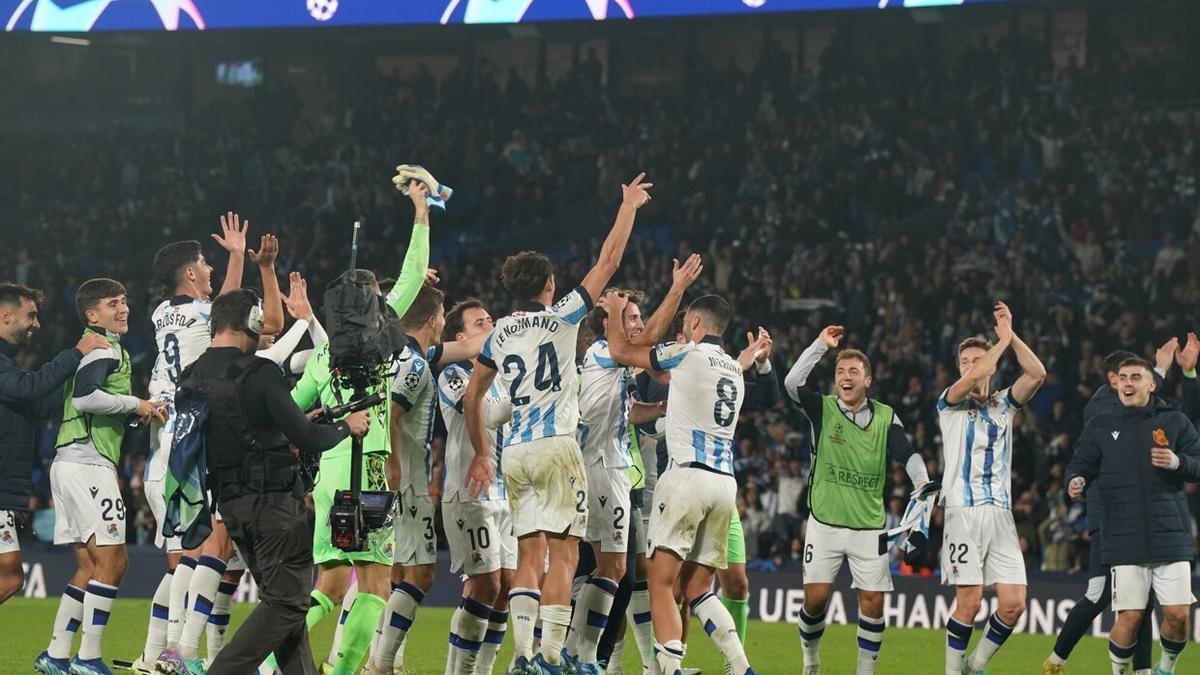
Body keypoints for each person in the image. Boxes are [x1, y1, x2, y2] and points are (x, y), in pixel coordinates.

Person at [462, 172, 653, 674]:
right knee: (565, 555)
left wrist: (483, 451)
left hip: (516, 455)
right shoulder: (565, 314)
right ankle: (549, 655)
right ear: (549, 285)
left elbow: (473, 397)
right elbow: (608, 261)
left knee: (529, 555)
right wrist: (628, 206)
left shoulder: (498, 334)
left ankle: (522, 656)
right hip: (558, 447)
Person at [294, 179, 439, 675]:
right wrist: (420, 209)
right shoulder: (382, 339)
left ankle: (269, 664)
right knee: (376, 586)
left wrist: (321, 418)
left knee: (328, 587)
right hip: (371, 476)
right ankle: (340, 673)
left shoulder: (322, 355)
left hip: (330, 475)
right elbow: (414, 272)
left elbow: (292, 413)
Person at [188, 289, 370, 675]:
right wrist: (345, 426)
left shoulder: (192, 376)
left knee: (284, 606)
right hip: (273, 505)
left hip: (230, 505)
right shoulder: (260, 371)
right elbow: (308, 438)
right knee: (288, 603)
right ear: (250, 321)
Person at [137, 213, 283, 674]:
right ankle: (181, 653)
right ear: (189, 273)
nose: (211, 268)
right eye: (206, 262)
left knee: (183, 557)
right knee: (211, 551)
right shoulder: (205, 313)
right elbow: (229, 314)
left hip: (170, 441)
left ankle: (158, 654)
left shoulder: (162, 314)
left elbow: (223, 310)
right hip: (201, 436)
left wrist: (237, 259)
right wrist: (240, 257)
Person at [601, 292, 766, 675]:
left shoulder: (685, 354)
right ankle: (741, 666)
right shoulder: (732, 368)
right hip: (724, 485)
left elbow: (623, 352)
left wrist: (611, 313)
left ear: (694, 324)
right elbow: (686, 378)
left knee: (661, 585)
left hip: (686, 478)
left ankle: (669, 668)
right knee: (698, 590)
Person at [565, 258, 700, 674]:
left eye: (639, 317)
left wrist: (661, 409)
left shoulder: (608, 358)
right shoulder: (607, 351)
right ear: (606, 323)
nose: (639, 326)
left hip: (606, 467)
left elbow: (628, 413)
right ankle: (581, 653)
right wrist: (676, 289)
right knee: (612, 567)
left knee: (604, 568)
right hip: (602, 468)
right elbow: (655, 339)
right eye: (630, 318)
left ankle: (578, 652)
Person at [1044, 336, 1200, 675]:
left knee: (1174, 614)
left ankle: (1156, 669)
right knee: (1120, 606)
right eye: (1122, 377)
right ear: (1111, 380)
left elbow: (1191, 429)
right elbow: (1081, 461)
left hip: (1167, 531)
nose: (1126, 384)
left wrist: (1188, 375)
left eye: (1135, 377)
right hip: (1118, 526)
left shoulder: (1169, 418)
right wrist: (1076, 479)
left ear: (1149, 385)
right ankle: (1061, 661)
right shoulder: (1101, 411)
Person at [782, 325, 931, 675]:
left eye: (853, 372)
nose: (845, 377)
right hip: (825, 523)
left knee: (873, 602)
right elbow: (791, 384)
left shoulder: (885, 415)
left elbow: (906, 452)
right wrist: (820, 345)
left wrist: (922, 481)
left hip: (869, 528)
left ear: (868, 381)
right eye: (840, 372)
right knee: (816, 600)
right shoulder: (822, 410)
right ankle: (811, 662)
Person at [35, 279, 166, 675]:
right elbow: (86, 397)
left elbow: (90, 403)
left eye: (125, 301)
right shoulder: (103, 347)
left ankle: (56, 654)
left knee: (90, 566)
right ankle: (88, 658)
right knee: (114, 562)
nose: (123, 308)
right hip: (88, 464)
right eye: (113, 304)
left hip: (69, 461)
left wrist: (133, 414)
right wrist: (137, 403)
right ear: (93, 315)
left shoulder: (97, 346)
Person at [367, 285, 487, 674]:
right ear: (435, 320)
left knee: (389, 574)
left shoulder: (395, 353)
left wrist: (502, 330)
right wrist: (393, 468)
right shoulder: (416, 365)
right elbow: (393, 412)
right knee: (419, 575)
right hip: (404, 481)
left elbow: (468, 349)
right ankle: (381, 664)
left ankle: (381, 659)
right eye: (440, 316)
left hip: (374, 477)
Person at [938, 302, 1046, 675]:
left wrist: (1010, 337)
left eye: (976, 359)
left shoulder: (1004, 403)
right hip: (963, 514)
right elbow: (974, 379)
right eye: (964, 361)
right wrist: (996, 347)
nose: (970, 366)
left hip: (1000, 514)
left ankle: (975, 665)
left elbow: (1038, 372)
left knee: (1014, 604)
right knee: (968, 605)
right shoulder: (949, 403)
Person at [0, 283, 107, 606]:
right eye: (30, 315)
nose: (37, 324)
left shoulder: (9, 366)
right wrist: (76, 353)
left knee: (9, 577)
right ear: (6, 315)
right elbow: (28, 389)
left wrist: (98, 392)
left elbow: (38, 405)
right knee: (10, 577)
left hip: (5, 489)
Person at [433, 298, 517, 675]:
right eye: (480, 323)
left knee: (508, 587)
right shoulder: (453, 375)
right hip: (469, 493)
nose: (491, 325)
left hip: (506, 492)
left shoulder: (508, 375)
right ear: (461, 337)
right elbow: (480, 409)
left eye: (491, 319)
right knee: (486, 584)